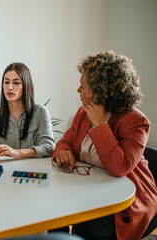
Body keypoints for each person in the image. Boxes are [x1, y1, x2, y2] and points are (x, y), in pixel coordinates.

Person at [52, 50, 157, 239]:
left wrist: (101, 125)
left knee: (90, 228)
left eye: (82, 86)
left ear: (101, 91)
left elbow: (120, 167)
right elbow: (64, 142)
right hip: (88, 190)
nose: (78, 91)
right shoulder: (83, 113)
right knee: (51, 211)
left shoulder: (136, 121)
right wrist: (62, 152)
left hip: (124, 201)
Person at [0, 62, 55, 162]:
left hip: (33, 169)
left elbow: (49, 147)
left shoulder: (40, 112)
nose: (10, 87)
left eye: (16, 83)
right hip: (5, 169)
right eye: (6, 82)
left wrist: (17, 153)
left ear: (26, 86)